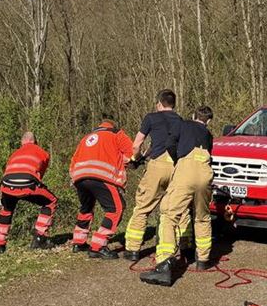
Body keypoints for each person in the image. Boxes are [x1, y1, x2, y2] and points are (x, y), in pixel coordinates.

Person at [141, 105, 215, 286]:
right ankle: (203, 260)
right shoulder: (208, 135)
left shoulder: (182, 125)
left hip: (186, 168)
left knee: (168, 214)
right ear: (209, 121)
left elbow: (169, 144)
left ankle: (164, 263)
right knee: (202, 216)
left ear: (192, 115)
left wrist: (178, 160)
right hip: (205, 171)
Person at [122, 89, 187, 262]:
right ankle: (179, 246)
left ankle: (133, 249)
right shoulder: (180, 121)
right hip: (175, 166)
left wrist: (136, 158)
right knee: (172, 210)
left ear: (159, 103)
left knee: (143, 207)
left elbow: (137, 144)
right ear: (173, 104)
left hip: (157, 165)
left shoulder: (151, 118)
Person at [69, 118, 134, 259]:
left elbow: (73, 160)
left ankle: (78, 242)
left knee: (86, 208)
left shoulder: (85, 138)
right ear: (112, 125)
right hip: (101, 176)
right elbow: (132, 153)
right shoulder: (116, 133)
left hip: (79, 177)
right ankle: (98, 246)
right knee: (116, 209)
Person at [0, 132, 57, 254]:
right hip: (28, 182)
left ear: (22, 142)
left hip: (6, 184)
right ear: (35, 141)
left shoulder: (14, 154)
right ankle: (40, 237)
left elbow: (8, 171)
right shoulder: (42, 152)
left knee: (6, 210)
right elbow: (39, 176)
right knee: (51, 201)